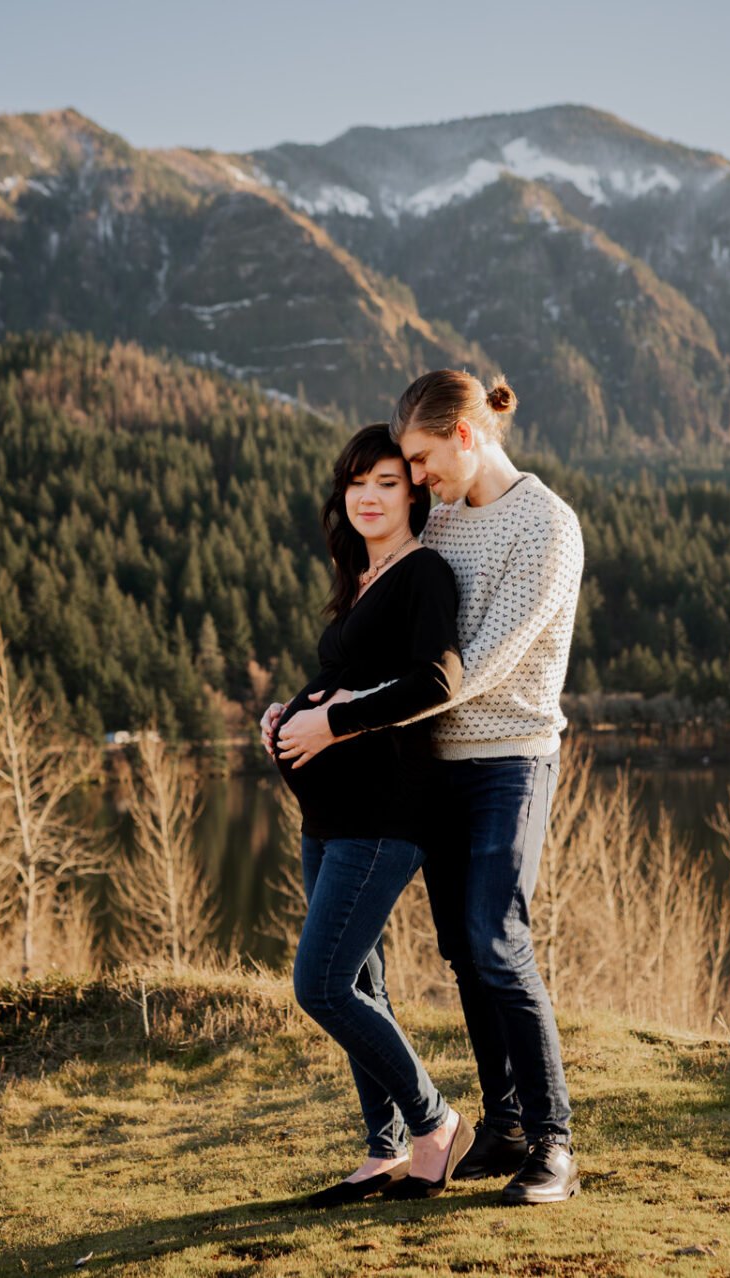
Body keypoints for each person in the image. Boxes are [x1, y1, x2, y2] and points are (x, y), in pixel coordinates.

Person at [272, 371, 586, 1205]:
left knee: (495, 938)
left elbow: (464, 670)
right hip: (437, 764)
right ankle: (506, 1123)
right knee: (460, 950)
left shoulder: (548, 526)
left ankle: (554, 1141)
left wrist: (342, 718)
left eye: (418, 459)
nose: (413, 479)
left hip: (510, 760)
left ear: (466, 436)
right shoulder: (442, 516)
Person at [272, 423, 476, 1206]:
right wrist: (289, 712)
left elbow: (436, 680)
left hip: (384, 813)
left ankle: (434, 1123)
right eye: (357, 480)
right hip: (329, 814)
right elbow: (353, 683)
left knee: (321, 985)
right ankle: (387, 1148)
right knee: (364, 983)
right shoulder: (362, 575)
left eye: (388, 481)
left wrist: (331, 721)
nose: (368, 494)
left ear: (414, 492)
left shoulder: (423, 573)